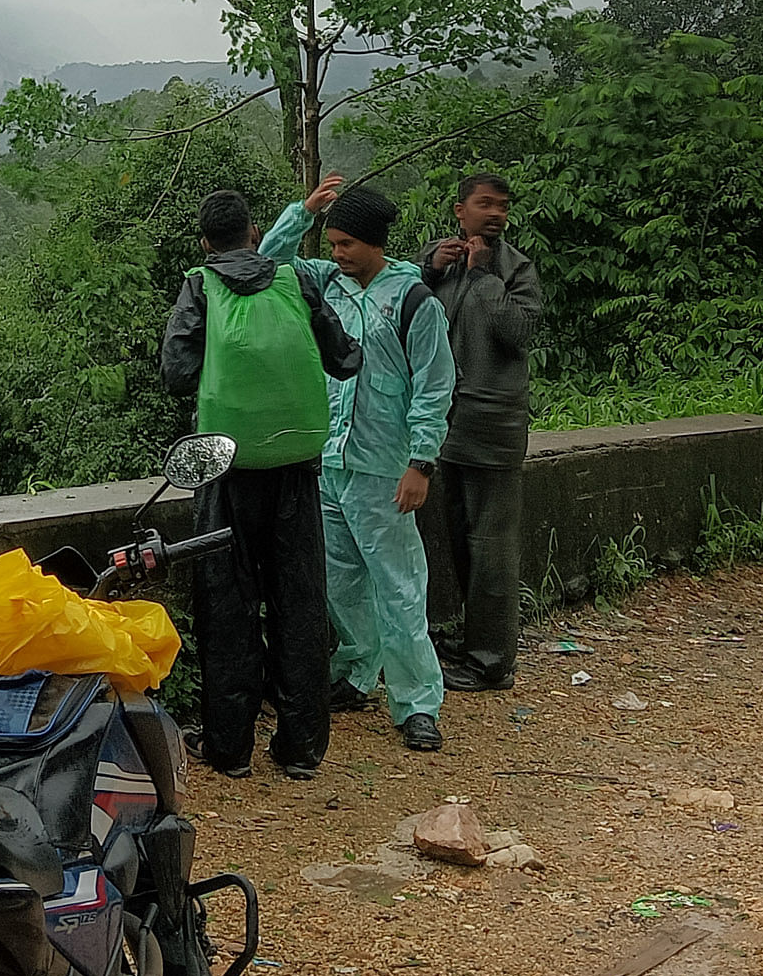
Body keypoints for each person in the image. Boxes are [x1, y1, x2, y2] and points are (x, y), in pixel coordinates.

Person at [161, 187, 363, 782]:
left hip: (226, 471)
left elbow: (176, 374)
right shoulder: (295, 281)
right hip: (298, 468)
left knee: (228, 606)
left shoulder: (200, 284)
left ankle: (229, 748)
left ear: (205, 242)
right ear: (254, 233)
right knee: (300, 603)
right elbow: (345, 359)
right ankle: (301, 748)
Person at [259, 175, 456, 753]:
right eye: (334, 243)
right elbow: (267, 265)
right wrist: (304, 212)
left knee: (398, 587)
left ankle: (418, 702)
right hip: (331, 461)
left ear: (374, 243)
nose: (338, 254)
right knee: (341, 581)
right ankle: (356, 671)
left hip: (384, 468)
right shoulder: (328, 285)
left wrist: (421, 462)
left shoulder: (413, 300)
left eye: (347, 244)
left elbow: (434, 386)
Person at [420, 173, 542, 693]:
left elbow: (519, 333)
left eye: (502, 206)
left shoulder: (516, 269)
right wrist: (430, 270)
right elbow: (401, 311)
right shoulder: (439, 263)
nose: (495, 213)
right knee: (450, 542)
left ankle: (492, 661)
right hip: (443, 426)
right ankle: (463, 639)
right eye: (484, 204)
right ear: (459, 210)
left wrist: (487, 277)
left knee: (491, 546)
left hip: (493, 425)